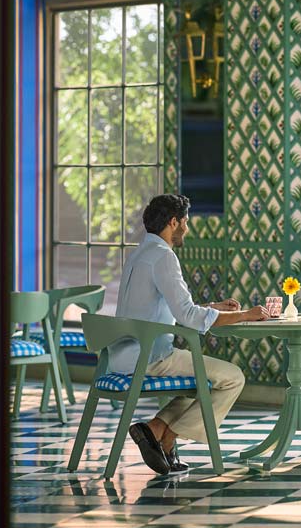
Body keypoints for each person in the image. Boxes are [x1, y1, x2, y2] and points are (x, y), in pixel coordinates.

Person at [108, 194, 268, 476]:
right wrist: (245, 315)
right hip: (149, 357)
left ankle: (155, 428)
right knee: (232, 378)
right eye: (186, 222)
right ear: (174, 222)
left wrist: (212, 307)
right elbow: (189, 318)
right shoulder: (164, 257)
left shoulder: (138, 254)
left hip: (120, 356)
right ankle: (167, 437)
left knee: (198, 385)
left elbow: (166, 308)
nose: (187, 228)